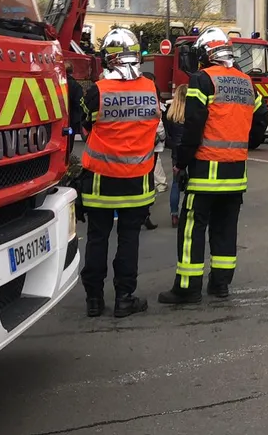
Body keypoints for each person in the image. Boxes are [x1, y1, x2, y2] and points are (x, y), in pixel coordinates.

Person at [159, 28, 268, 305]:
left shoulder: (202, 79)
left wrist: (181, 162)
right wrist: (249, 143)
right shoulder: (246, 82)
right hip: (236, 174)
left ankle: (187, 287)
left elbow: (193, 124)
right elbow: (262, 115)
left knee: (192, 229)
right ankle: (220, 285)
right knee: (225, 230)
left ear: (206, 54)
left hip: (205, 173)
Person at [78, 28, 159, 318]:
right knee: (129, 240)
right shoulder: (150, 87)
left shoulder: (96, 92)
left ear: (107, 60)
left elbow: (84, 121)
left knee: (97, 238)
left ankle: (94, 300)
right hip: (137, 181)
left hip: (100, 181)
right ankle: (125, 297)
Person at [164, 84, 188, 227]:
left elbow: (167, 136)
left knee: (176, 184)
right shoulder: (192, 112)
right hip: (190, 151)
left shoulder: (170, 114)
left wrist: (174, 146)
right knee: (192, 184)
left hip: (176, 152)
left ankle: (174, 214)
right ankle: (189, 212)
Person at [142, 72, 168, 195]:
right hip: (153, 136)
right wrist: (162, 136)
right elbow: (158, 121)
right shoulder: (152, 96)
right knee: (154, 161)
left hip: (146, 137)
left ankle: (158, 184)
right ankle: (159, 184)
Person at [65, 62, 84, 160]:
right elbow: (80, 103)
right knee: (68, 145)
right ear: (72, 72)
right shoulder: (75, 86)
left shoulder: (56, 84)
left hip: (59, 119)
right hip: (71, 120)